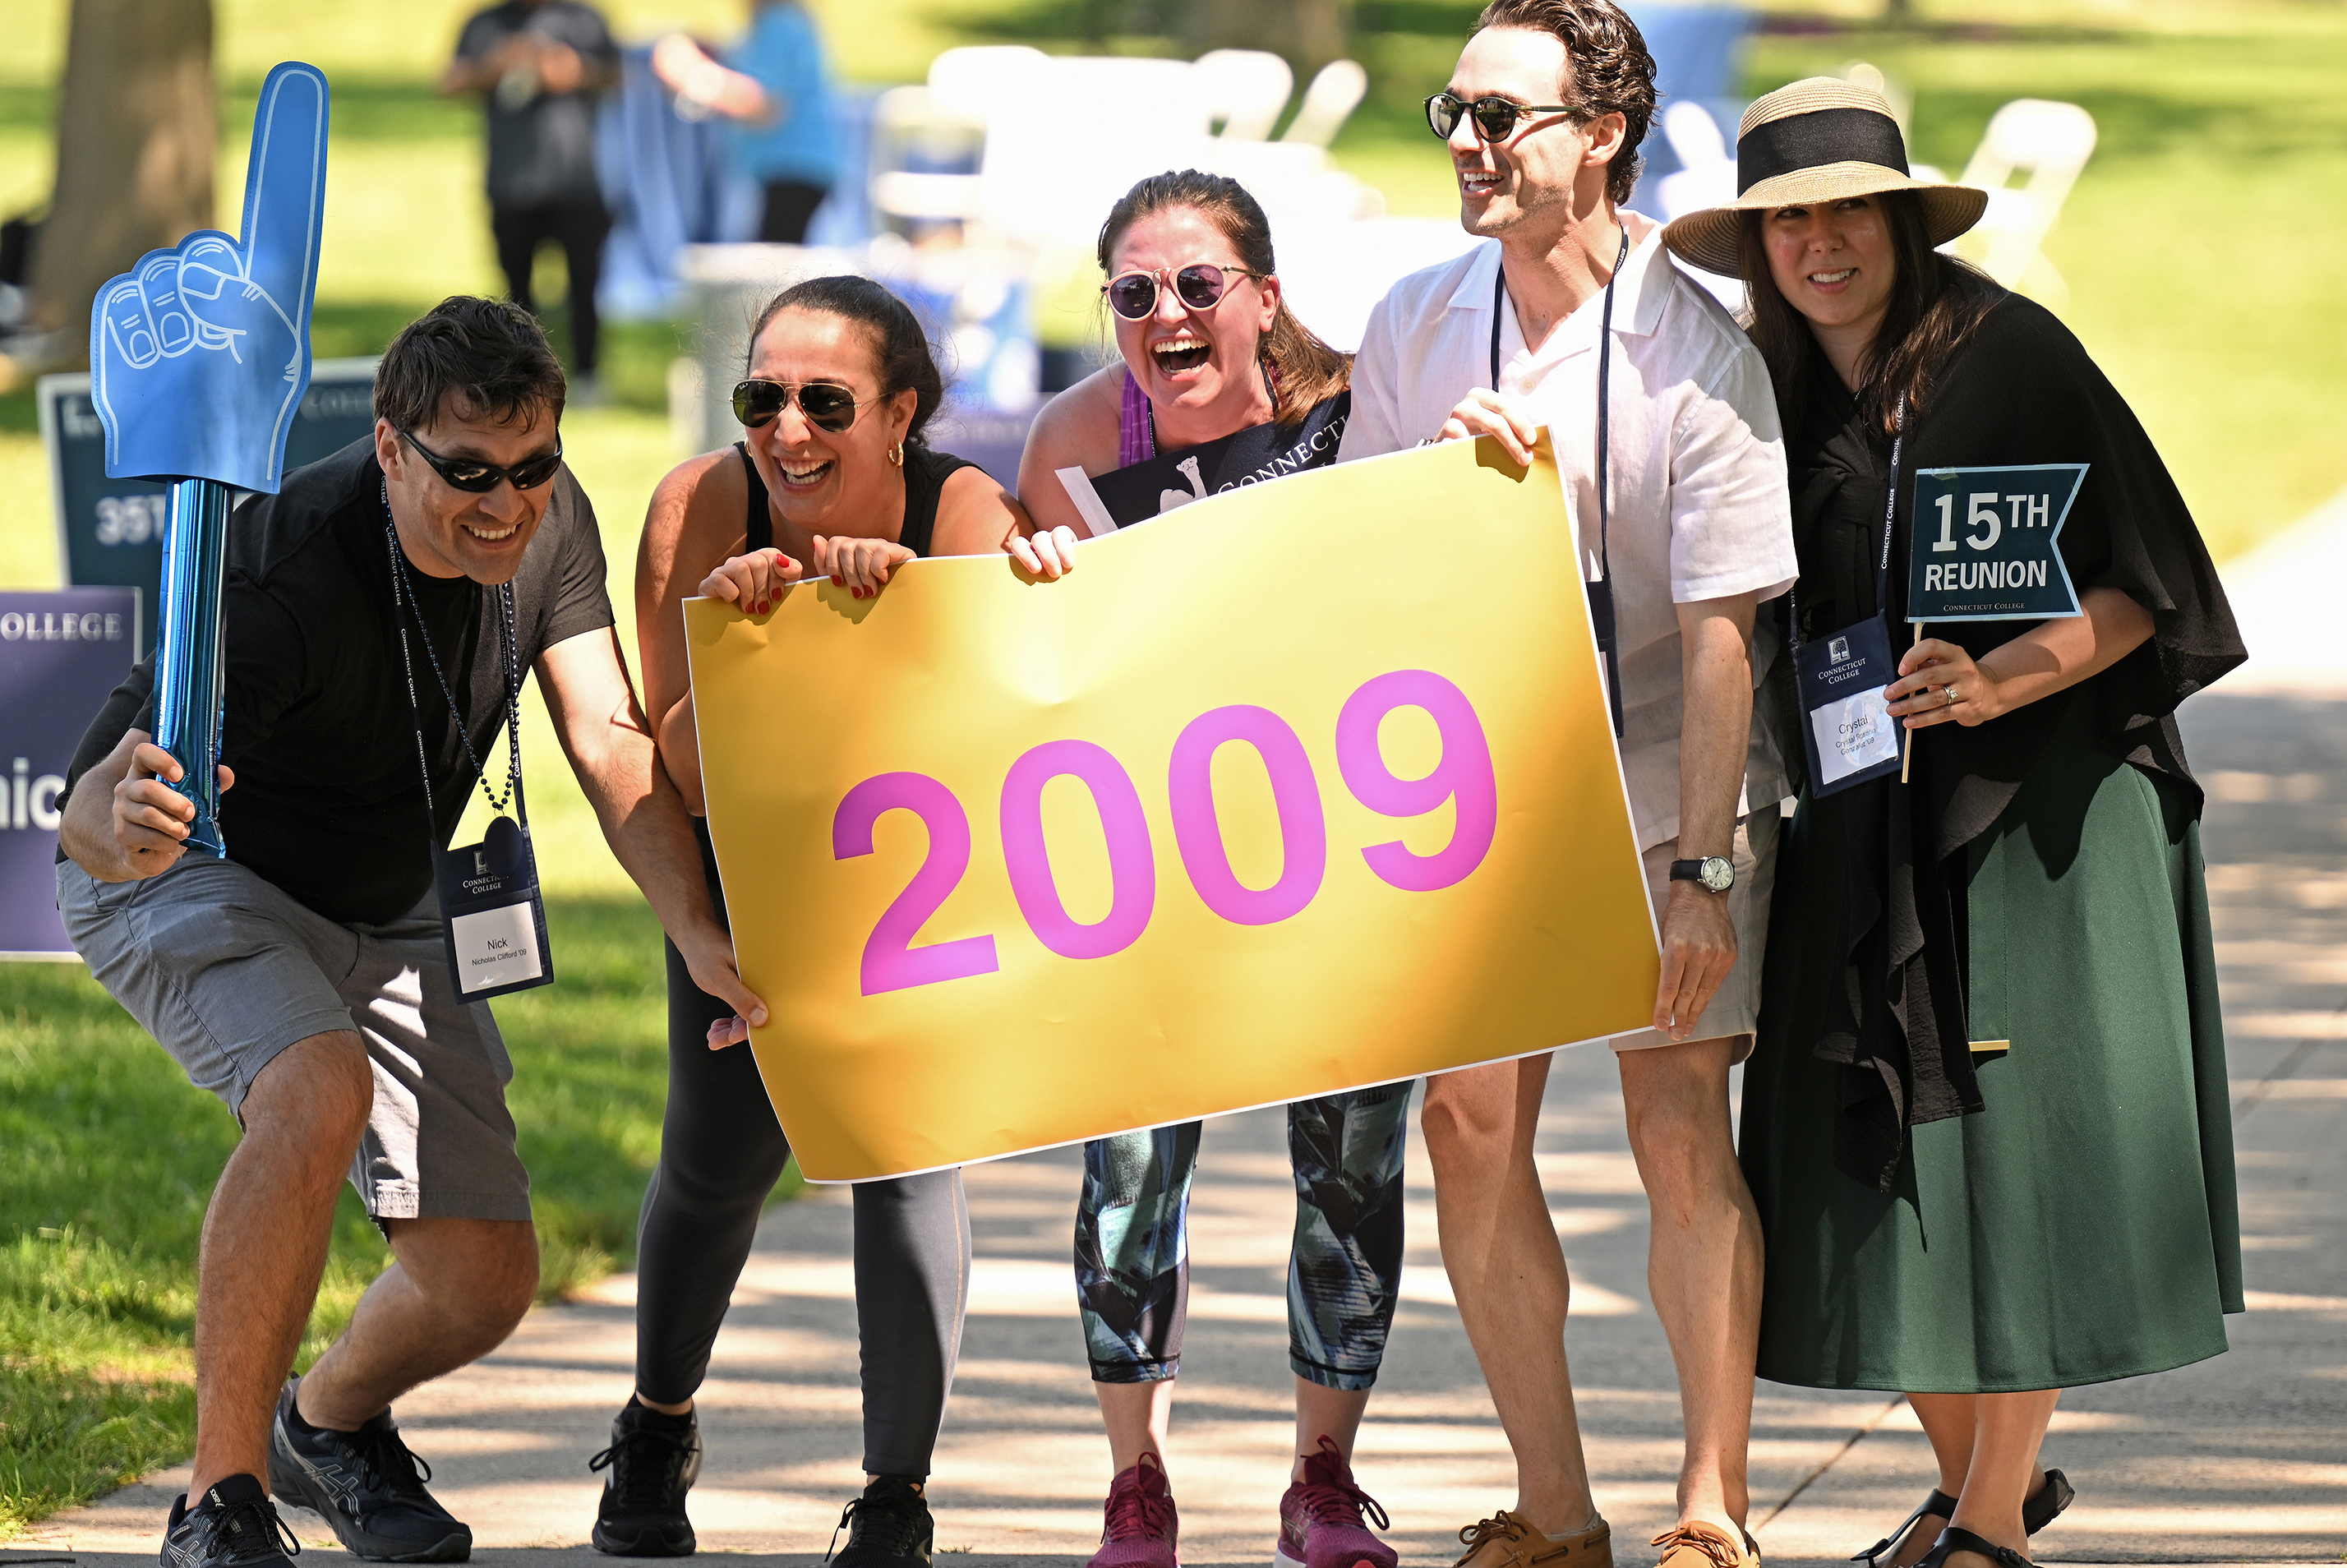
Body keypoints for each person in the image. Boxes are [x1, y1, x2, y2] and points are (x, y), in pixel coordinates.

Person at [55, 297, 764, 1568]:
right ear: (391, 447)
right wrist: (133, 819)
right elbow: (94, 803)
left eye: (533, 468)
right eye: (470, 474)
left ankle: (320, 1425)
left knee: (483, 1278)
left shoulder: (545, 529)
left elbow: (608, 737)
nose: (507, 504)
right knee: (316, 1089)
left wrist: (700, 929)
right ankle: (216, 1503)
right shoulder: (278, 569)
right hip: (205, 877)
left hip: (391, 900)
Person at [1662, 77, 2245, 1568]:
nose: (1823, 242)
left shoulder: (2012, 356)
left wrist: (2003, 677)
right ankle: (1978, 1479)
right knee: (1856, 1150)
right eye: (1789, 218)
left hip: (2041, 821)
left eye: (1850, 207)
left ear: (1905, 218)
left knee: (2019, 1160)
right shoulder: (1756, 387)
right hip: (1857, 812)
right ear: (1758, 243)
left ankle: (1987, 1520)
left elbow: (2148, 588)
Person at [1335, 4, 1797, 1566]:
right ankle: (1555, 1505)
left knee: (1676, 1122)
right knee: (1470, 1126)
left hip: (1671, 764)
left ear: (1598, 136)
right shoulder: (1413, 318)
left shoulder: (1699, 339)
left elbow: (1728, 628)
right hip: (1482, 785)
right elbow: (1361, 582)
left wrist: (1705, 865)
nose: (1465, 143)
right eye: (1449, 111)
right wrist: (1451, 509)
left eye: (1501, 117)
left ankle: (1711, 1506)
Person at [591, 274, 1048, 1566]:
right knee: (716, 1163)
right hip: (752, 868)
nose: (787, 430)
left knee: (902, 1155)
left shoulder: (961, 509)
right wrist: (762, 636)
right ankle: (655, 1424)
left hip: (914, 880)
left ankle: (896, 1497)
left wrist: (895, 620)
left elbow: (991, 751)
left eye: (826, 402)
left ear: (901, 414)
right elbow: (678, 770)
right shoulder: (700, 506)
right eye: (762, 398)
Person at [1017, 170, 1409, 1568]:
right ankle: (1137, 1481)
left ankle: (1323, 1473)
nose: (1166, 313)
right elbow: (1022, 668)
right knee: (1129, 1170)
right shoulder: (1075, 432)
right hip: (1152, 863)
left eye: (1197, 285)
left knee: (1355, 1168)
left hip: (1343, 853)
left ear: (1263, 292)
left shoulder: (1365, 412)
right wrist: (1037, 577)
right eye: (1133, 292)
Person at [444, 0, 622, 397]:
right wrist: (496, 65)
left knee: (585, 284)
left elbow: (617, 74)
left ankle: (589, 376)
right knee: (515, 294)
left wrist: (572, 70)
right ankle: (524, 380)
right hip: (511, 185)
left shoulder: (583, 19)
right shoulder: (486, 23)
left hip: (576, 183)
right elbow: (448, 82)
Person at [649, 1, 840, 245]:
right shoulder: (780, 23)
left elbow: (762, 106)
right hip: (789, 171)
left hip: (794, 172)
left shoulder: (780, 22)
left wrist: (689, 72)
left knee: (770, 271)